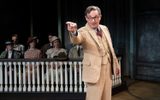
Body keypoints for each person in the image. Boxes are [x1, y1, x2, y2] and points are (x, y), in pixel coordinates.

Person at [66, 5, 120, 100]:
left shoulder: (105, 28)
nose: (93, 21)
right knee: (93, 97)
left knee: (106, 97)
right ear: (86, 18)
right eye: (90, 18)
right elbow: (77, 40)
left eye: (95, 17)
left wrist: (116, 64)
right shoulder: (82, 31)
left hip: (107, 68)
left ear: (100, 17)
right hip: (94, 71)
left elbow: (110, 48)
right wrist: (74, 32)